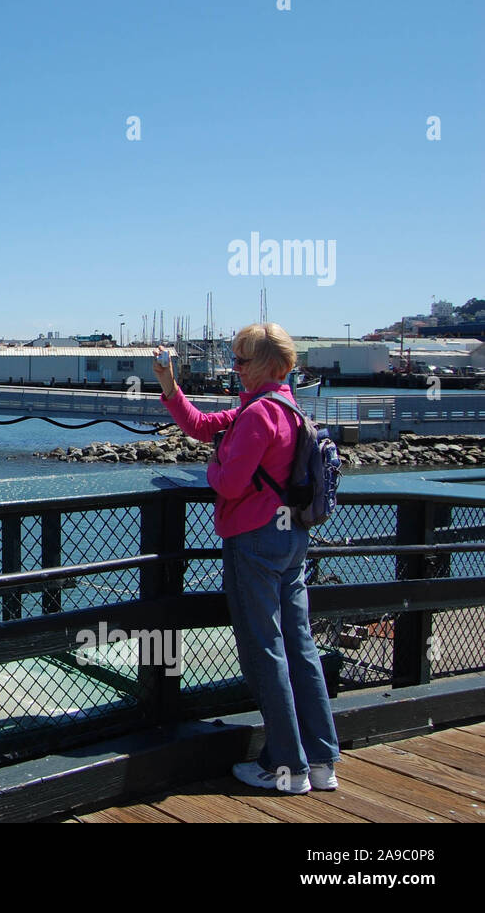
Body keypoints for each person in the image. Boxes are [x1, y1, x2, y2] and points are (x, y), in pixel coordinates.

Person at [152, 323, 339, 794]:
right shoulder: (286, 408)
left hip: (254, 539)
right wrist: (169, 387)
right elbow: (200, 426)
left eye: (241, 359)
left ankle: (286, 767)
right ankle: (320, 760)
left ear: (266, 365)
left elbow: (229, 484)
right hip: (292, 537)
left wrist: (213, 465)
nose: (233, 367)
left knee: (264, 649)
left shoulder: (256, 416)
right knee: (299, 645)